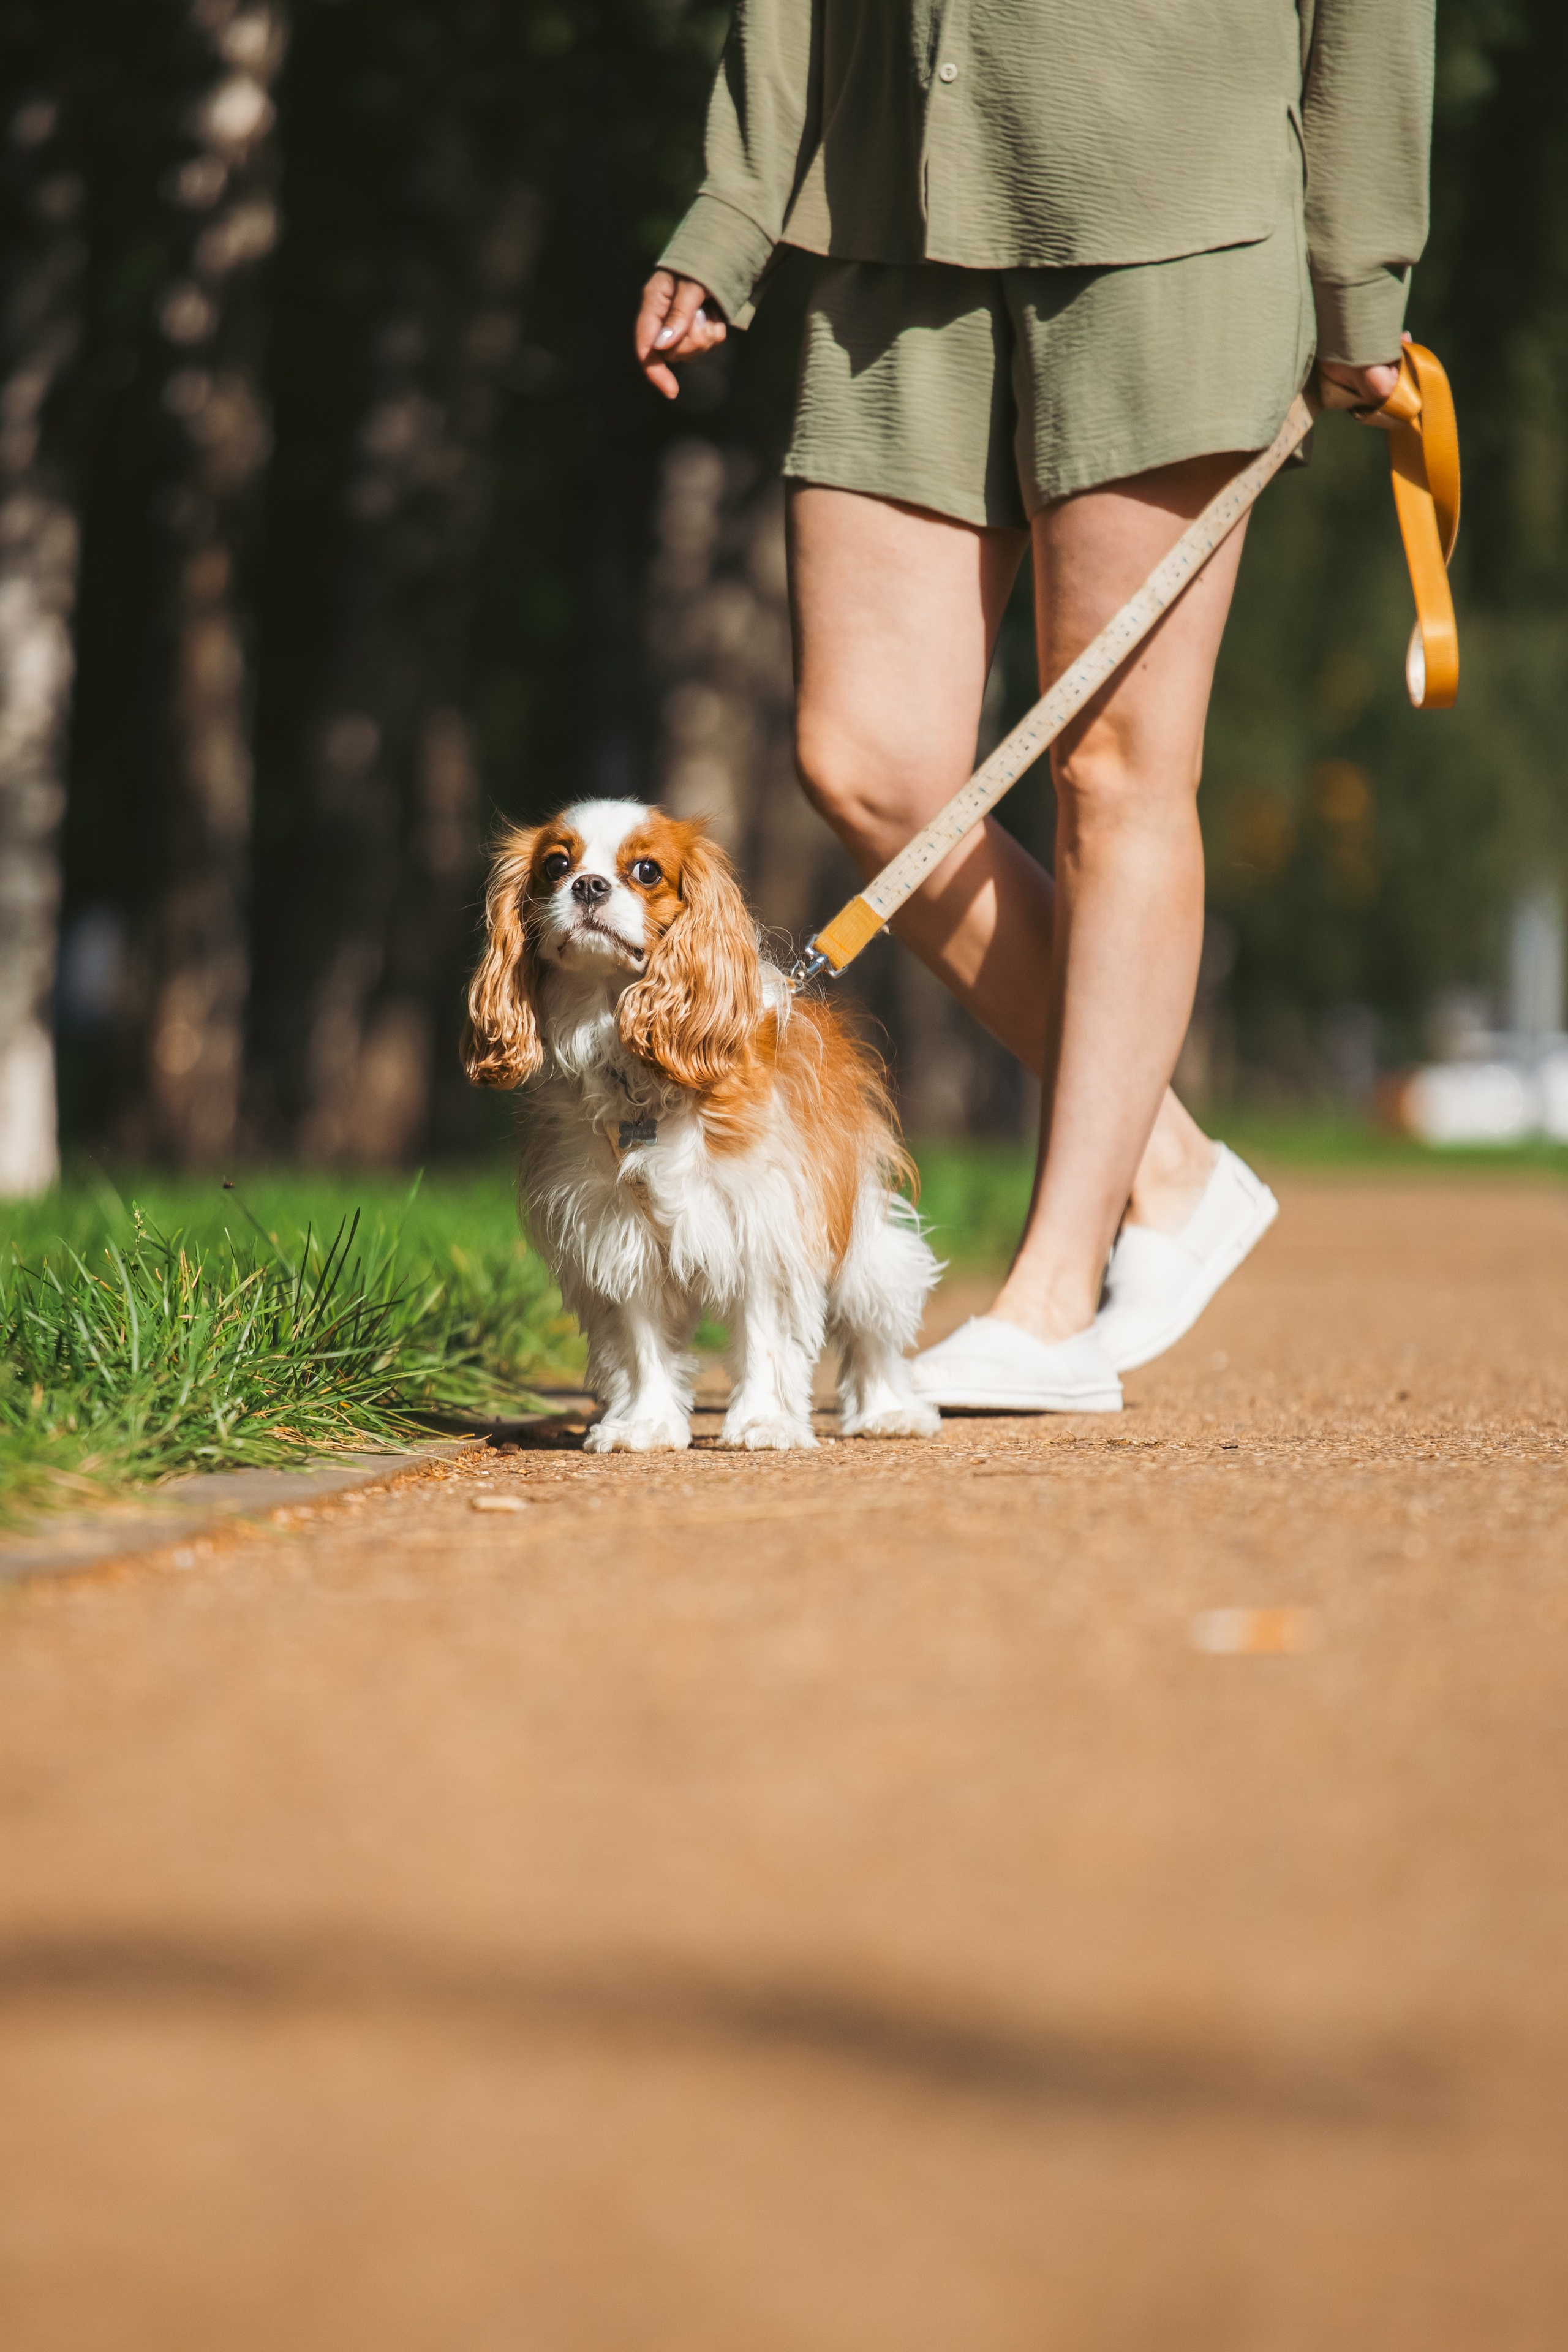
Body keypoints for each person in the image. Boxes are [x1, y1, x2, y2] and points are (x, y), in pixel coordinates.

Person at [635, 0, 1434, 1412]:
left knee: (1112, 769)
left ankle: (1055, 1287)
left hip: (1174, 218)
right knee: (867, 760)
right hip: (893, 206)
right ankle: (1167, 1170)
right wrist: (733, 208)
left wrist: (1353, 275)